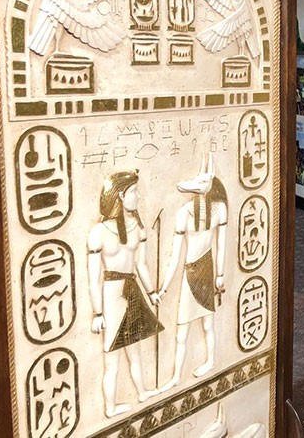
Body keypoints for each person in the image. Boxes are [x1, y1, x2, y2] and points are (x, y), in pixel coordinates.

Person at [88, 170, 163, 417]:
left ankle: (141, 391)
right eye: (133, 191)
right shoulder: (98, 233)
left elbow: (141, 265)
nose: (138, 196)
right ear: (120, 195)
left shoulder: (137, 228)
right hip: (111, 295)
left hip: (132, 290)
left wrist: (151, 292)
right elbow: (93, 279)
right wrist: (98, 313)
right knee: (112, 358)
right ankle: (110, 408)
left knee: (135, 350)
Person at [158, 154, 228, 391]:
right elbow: (176, 256)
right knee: (183, 329)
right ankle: (176, 376)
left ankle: (210, 360)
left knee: (208, 323)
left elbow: (221, 244)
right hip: (191, 271)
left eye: (203, 182)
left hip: (207, 269)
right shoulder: (184, 212)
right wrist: (164, 287)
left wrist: (220, 274)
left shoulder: (219, 210)